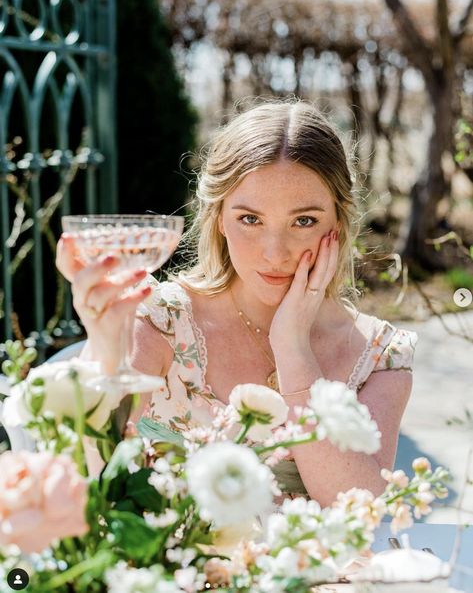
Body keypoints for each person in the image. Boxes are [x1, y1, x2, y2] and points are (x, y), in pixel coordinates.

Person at [56, 99, 417, 506]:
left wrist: (293, 347)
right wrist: (104, 346)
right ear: (220, 218)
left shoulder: (380, 359)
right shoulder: (162, 322)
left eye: (304, 221)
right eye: (250, 219)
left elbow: (360, 513)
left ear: (339, 220)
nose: (274, 252)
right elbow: (81, 479)